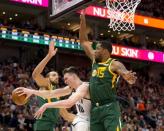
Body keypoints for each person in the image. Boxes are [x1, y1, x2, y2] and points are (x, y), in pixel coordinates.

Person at [79, 10, 137, 131]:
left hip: (110, 108)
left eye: (98, 49)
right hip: (95, 109)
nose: (95, 51)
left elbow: (124, 71)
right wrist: (82, 20)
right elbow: (84, 42)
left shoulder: (114, 64)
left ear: (105, 51)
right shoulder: (95, 60)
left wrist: (128, 77)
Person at [16, 67, 91, 131]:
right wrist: (32, 91)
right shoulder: (71, 88)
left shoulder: (84, 87)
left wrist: (46, 105)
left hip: (90, 121)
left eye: (66, 79)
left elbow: (69, 103)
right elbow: (51, 94)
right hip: (81, 119)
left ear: (74, 76)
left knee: (81, 124)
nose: (65, 81)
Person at [23, 41, 75, 131]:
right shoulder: (45, 85)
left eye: (57, 75)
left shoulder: (56, 96)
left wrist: (86, 120)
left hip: (50, 126)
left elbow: (66, 116)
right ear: (47, 78)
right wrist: (49, 56)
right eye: (53, 75)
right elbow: (35, 75)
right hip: (42, 125)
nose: (57, 77)